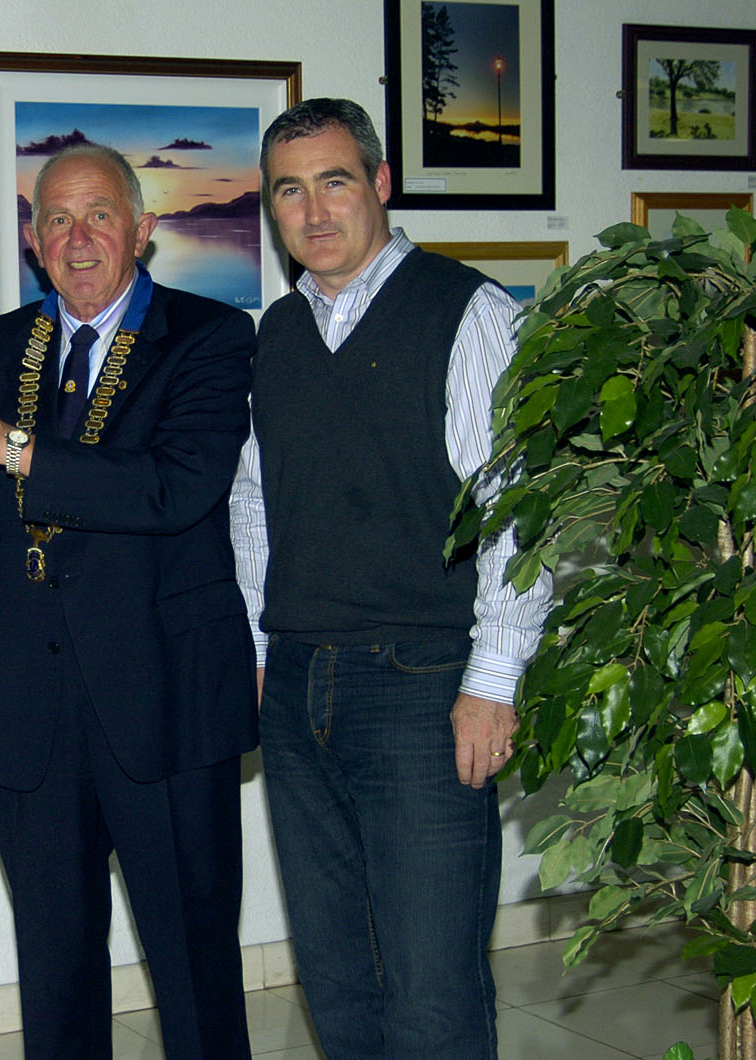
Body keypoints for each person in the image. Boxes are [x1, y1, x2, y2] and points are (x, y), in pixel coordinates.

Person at [0, 142, 258, 1059]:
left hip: (166, 704)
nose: (78, 236)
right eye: (56, 218)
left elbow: (173, 489)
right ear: (34, 241)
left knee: (195, 973)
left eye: (100, 215)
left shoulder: (211, 338)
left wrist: (13, 445)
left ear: (143, 229)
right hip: (30, 711)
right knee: (54, 978)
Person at [230, 97, 553, 1059]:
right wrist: (255, 648)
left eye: (335, 181)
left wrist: (492, 682)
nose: (314, 211)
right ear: (272, 208)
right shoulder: (276, 334)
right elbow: (255, 502)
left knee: (431, 989)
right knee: (337, 978)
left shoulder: (468, 310)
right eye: (291, 190)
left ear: (379, 183)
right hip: (294, 685)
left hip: (421, 687)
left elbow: (516, 507)